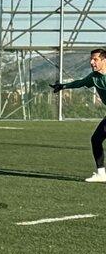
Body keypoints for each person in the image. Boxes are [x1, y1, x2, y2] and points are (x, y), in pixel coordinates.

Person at [51, 48, 106, 183]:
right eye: (91, 59)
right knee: (96, 139)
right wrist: (63, 86)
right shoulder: (94, 77)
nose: (92, 62)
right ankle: (101, 174)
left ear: (104, 60)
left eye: (95, 59)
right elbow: (80, 83)